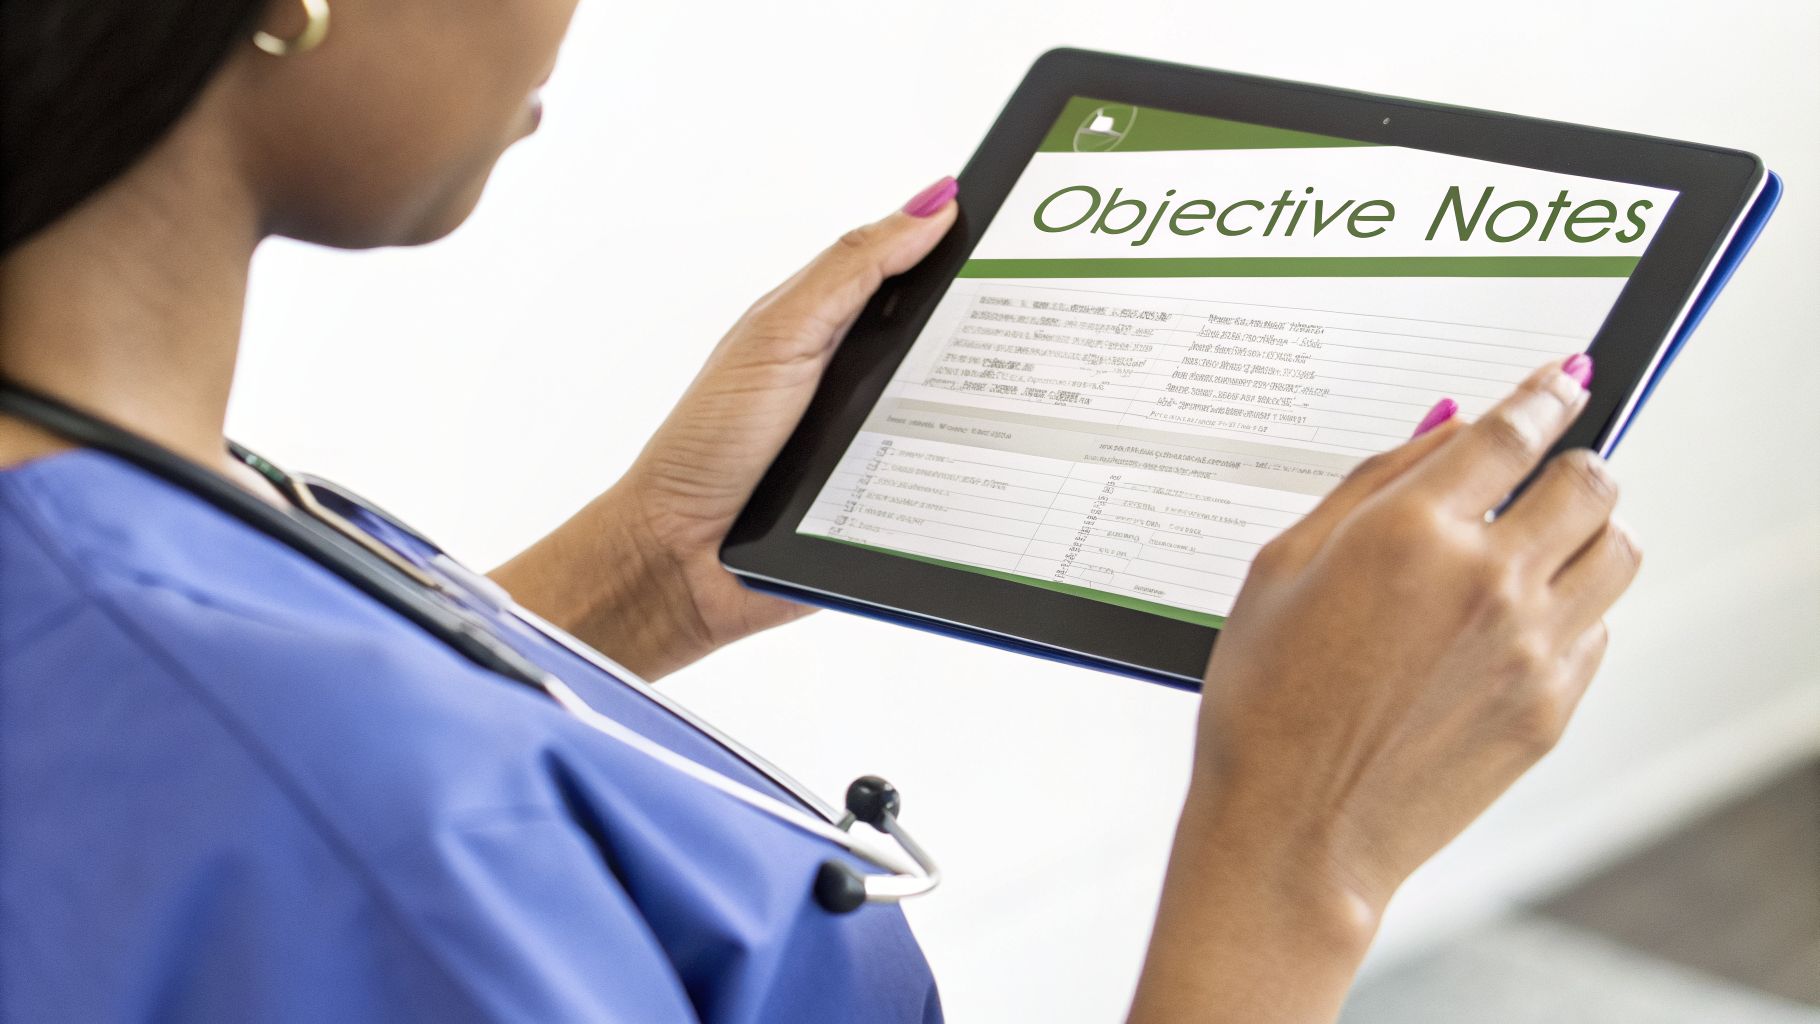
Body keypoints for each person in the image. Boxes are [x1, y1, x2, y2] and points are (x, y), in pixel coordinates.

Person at [0, 1, 1641, 1021]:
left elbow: (201, 798)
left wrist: (644, 574)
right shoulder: (349, 814)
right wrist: (1299, 861)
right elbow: (326, 820)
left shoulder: (94, 521)